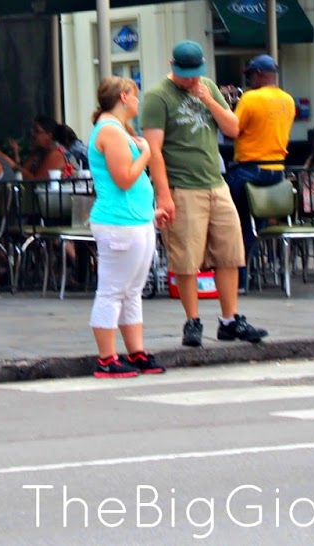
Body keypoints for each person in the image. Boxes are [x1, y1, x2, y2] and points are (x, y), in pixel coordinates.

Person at [142, 41, 268, 348]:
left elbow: (234, 129)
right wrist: (164, 195)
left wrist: (210, 101)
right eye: (186, 75)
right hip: (182, 186)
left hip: (215, 181)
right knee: (186, 257)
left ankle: (229, 319)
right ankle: (192, 320)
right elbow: (153, 151)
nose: (191, 81)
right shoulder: (157, 97)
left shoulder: (207, 86)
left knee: (229, 252)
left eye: (195, 74)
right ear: (173, 66)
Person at [85, 76, 171, 378]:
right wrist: (147, 153)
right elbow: (124, 177)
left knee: (132, 290)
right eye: (135, 95)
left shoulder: (118, 130)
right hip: (118, 222)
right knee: (112, 290)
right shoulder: (111, 131)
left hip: (136, 219)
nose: (138, 100)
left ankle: (136, 351)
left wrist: (151, 210)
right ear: (123, 97)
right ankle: (106, 357)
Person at [225, 53, 297, 288]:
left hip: (250, 169)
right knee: (260, 227)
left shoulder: (251, 99)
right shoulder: (288, 100)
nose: (247, 80)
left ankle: (241, 280)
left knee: (239, 224)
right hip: (277, 171)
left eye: (249, 75)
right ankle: (262, 270)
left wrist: (228, 107)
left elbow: (232, 131)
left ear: (258, 74)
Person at [19, 115, 70, 181]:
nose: (33, 134)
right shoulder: (39, 152)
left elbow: (37, 181)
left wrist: (14, 165)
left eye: (37, 131)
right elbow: (22, 174)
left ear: (49, 136)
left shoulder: (56, 154)